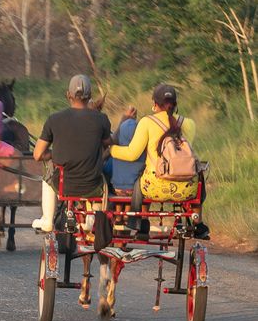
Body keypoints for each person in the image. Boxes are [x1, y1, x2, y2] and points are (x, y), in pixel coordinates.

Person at [110, 84, 203, 239]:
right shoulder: (189, 124)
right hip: (187, 190)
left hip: (154, 188)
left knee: (140, 180)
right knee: (200, 176)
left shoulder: (147, 122)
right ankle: (198, 222)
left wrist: (111, 149)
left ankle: (140, 222)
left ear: (154, 104)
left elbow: (132, 154)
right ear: (175, 104)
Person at [31, 75, 112, 232]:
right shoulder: (101, 119)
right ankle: (91, 217)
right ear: (89, 96)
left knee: (48, 166)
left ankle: (47, 219)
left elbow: (37, 155)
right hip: (92, 187)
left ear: (68, 95)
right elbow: (109, 144)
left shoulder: (54, 119)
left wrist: (53, 154)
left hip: (63, 186)